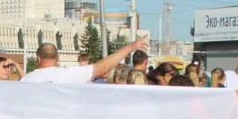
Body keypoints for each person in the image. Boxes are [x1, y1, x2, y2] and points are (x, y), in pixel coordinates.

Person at [20, 38, 149, 84]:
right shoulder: (68, 74)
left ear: (38, 57)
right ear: (58, 57)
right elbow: (102, 68)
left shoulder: (26, 80)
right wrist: (131, 47)